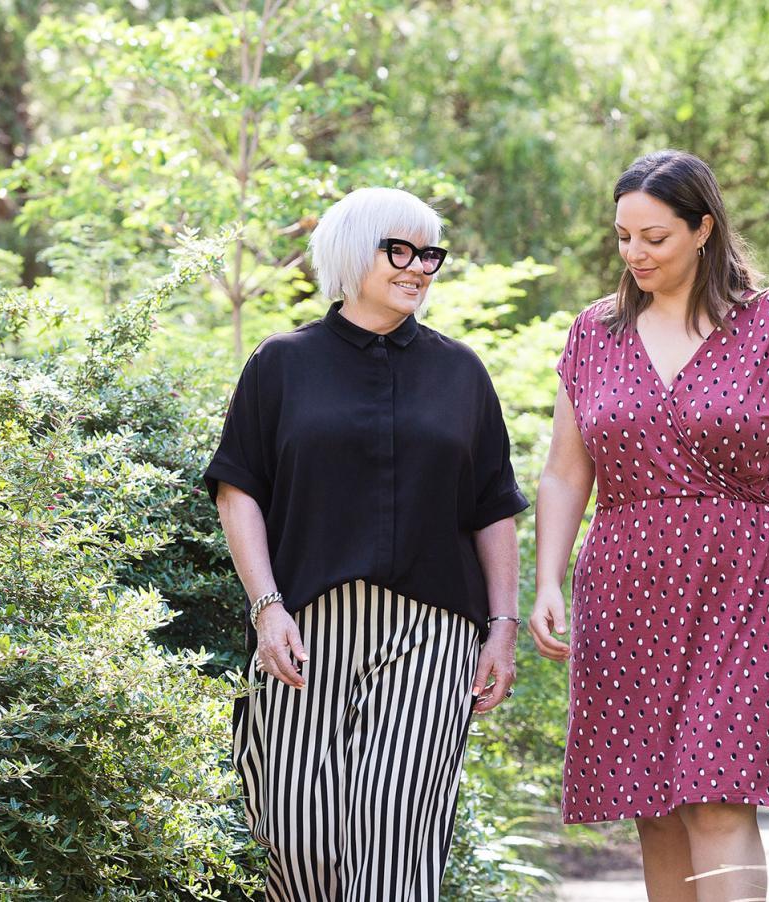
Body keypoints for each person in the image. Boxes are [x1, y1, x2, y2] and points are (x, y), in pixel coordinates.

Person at [531, 150, 769, 901]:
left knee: (717, 790)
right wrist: (547, 577)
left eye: (655, 237)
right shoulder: (594, 335)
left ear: (704, 228)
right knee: (653, 805)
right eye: (623, 237)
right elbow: (564, 470)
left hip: (748, 584)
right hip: (626, 585)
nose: (635, 254)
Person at [205, 186, 529, 901]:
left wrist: (502, 628)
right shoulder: (280, 365)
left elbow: (493, 509)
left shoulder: (461, 373)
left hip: (430, 632)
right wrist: (266, 608)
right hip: (304, 628)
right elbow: (239, 492)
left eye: (430, 254)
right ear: (354, 251)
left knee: (394, 832)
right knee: (289, 828)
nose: (419, 268)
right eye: (400, 250)